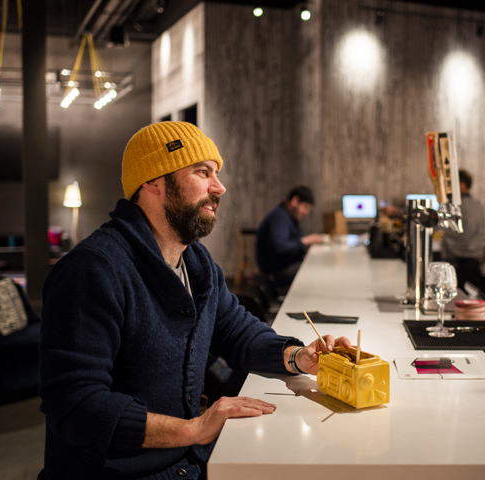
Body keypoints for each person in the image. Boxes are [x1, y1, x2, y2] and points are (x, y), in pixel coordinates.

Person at [38, 122, 350, 480]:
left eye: (216, 173)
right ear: (153, 182)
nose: (220, 187)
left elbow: (238, 331)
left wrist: (297, 356)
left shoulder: (197, 264)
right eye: (203, 172)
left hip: (187, 463)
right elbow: (75, 405)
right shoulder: (92, 270)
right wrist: (195, 429)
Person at [255, 186, 323, 293]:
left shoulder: (287, 216)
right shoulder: (279, 217)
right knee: (317, 271)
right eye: (305, 207)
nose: (306, 212)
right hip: (277, 272)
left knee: (316, 266)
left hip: (283, 268)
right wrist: (304, 241)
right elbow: (278, 247)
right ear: (295, 201)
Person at [440, 169, 485, 290]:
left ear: (462, 185)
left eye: (450, 184)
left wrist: (444, 229)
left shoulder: (469, 206)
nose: (447, 188)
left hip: (465, 266)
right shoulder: (465, 204)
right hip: (462, 264)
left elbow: (465, 235)